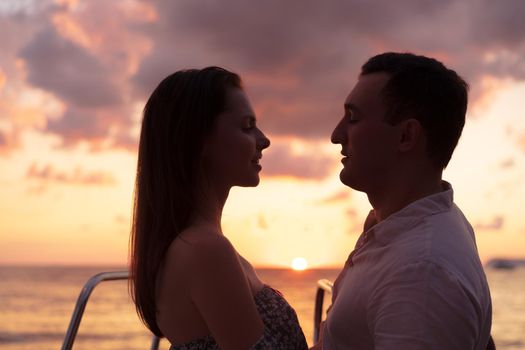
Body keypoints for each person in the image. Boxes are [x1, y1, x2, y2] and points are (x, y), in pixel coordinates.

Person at [318, 52, 493, 349]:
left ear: (406, 136)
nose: (336, 135)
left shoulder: (422, 274)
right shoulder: (406, 228)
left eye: (353, 118)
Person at [129, 67, 308, 350]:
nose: (264, 140)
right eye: (247, 126)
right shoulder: (205, 250)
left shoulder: (196, 245)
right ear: (200, 141)